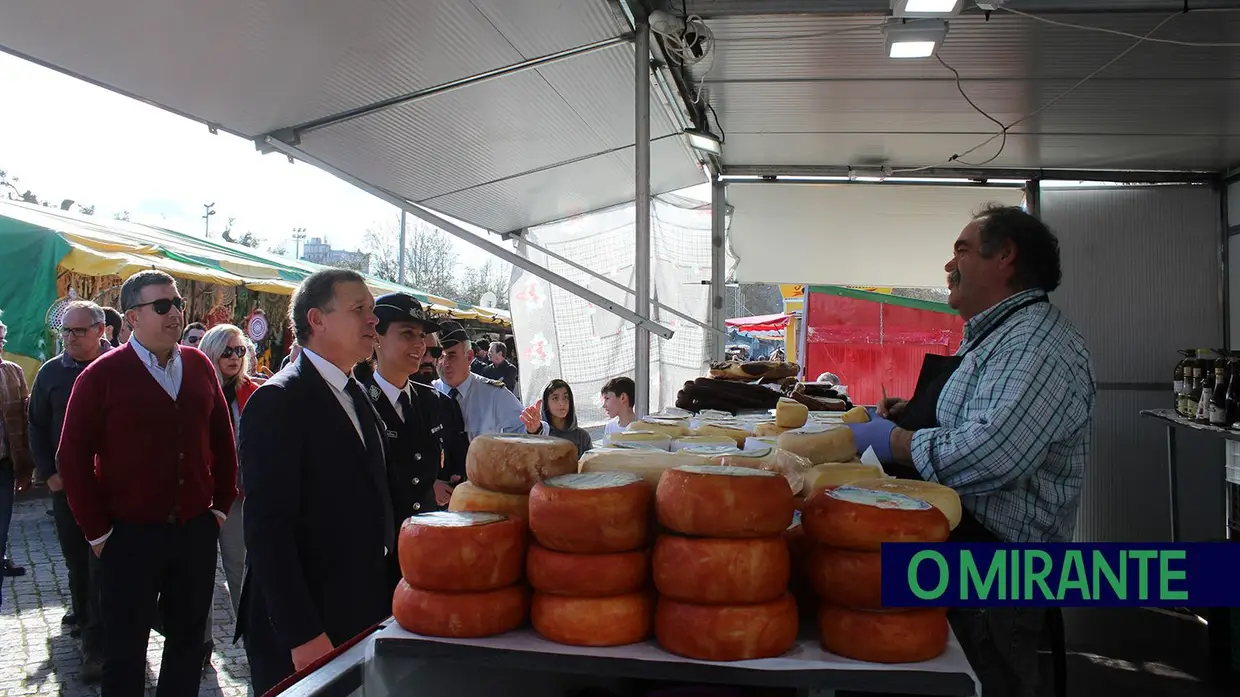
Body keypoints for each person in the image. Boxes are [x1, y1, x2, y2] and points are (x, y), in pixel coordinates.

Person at [844, 203, 1095, 697]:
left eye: (961, 250)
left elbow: (993, 453)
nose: (948, 265)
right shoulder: (994, 335)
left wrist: (895, 443)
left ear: (1005, 257)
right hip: (962, 545)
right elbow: (975, 416)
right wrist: (910, 413)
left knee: (983, 683)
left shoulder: (1034, 345)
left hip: (998, 570)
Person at [57, 270, 238, 696]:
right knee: (124, 653)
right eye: (162, 306)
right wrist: (99, 534)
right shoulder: (101, 375)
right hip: (128, 538)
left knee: (188, 645)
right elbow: (73, 457)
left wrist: (218, 507)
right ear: (132, 317)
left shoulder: (197, 366)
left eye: (177, 303)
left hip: (193, 531)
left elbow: (223, 442)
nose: (174, 313)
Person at [237, 269, 394, 695]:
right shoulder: (278, 401)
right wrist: (302, 633)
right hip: (307, 629)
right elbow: (267, 531)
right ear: (317, 320)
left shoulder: (354, 391)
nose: (372, 320)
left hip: (359, 612)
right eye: (359, 309)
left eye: (372, 310)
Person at [27, 300, 112, 681]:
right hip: (69, 487)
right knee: (78, 560)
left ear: (100, 330)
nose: (71, 339)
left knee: (107, 562)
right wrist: (49, 474)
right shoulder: (51, 374)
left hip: (114, 485)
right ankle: (86, 625)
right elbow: (36, 425)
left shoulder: (121, 367)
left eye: (79, 331)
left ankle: (102, 638)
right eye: (66, 332)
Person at [353, 293, 460, 541]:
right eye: (407, 334)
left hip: (426, 540)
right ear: (377, 338)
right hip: (378, 547)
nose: (420, 345)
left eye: (421, 336)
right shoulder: (356, 402)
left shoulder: (434, 401)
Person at [196, 324, 259, 619]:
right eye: (226, 351)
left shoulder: (253, 391)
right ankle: (201, 646)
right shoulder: (194, 388)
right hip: (201, 495)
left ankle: (251, 642)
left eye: (240, 350)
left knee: (239, 567)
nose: (234, 357)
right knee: (199, 575)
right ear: (211, 351)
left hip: (238, 494)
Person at [432, 320, 546, 441]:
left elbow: (521, 428)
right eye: (440, 356)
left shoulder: (493, 394)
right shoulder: (427, 393)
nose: (444, 363)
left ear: (469, 357)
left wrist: (534, 429)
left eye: (451, 355)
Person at [0, 313, 33, 583]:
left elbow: (23, 424)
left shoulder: (13, 372)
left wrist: (26, 467)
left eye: (1, 339)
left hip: (4, 467)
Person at [541, 379, 592, 457]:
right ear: (546, 404)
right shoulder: (541, 436)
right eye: (555, 398)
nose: (562, 403)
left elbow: (590, 465)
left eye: (565, 397)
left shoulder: (582, 436)